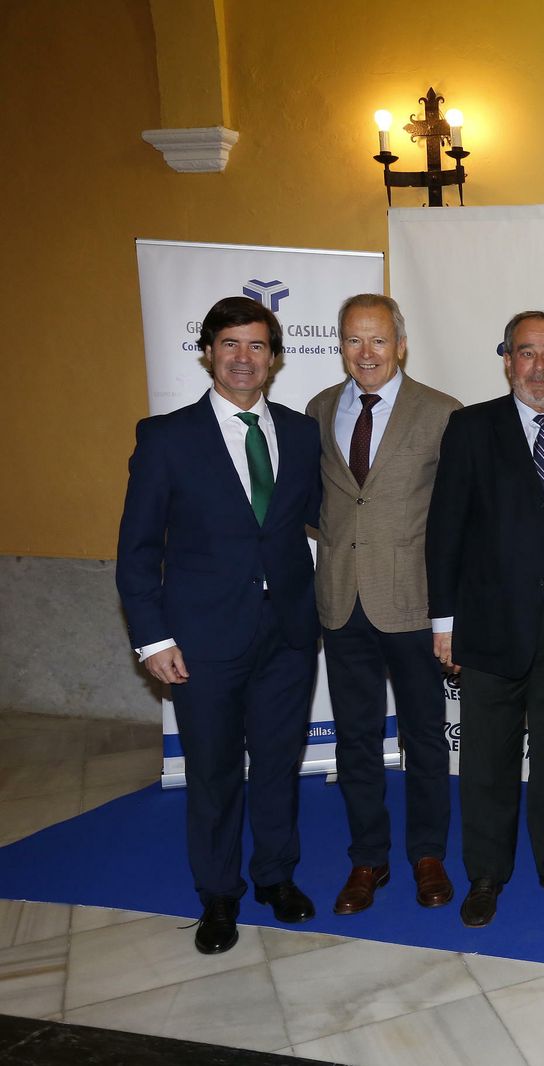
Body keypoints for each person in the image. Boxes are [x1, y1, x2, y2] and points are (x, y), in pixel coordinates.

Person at [116, 296, 323, 954]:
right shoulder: (167, 438)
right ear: (207, 352)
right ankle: (218, 894)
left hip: (288, 634)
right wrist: (153, 638)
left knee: (277, 767)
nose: (243, 359)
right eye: (230, 345)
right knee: (211, 771)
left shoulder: (299, 433)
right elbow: (138, 551)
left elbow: (333, 519)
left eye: (257, 346)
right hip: (201, 640)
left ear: (274, 358)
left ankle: (275, 876)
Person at [426, 310, 544, 927]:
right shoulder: (470, 427)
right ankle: (486, 874)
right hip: (487, 624)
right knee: (487, 759)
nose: (540, 367)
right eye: (527, 353)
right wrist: (443, 622)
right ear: (507, 359)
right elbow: (445, 532)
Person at [305, 294, 460, 916]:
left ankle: (427, 855)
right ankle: (367, 859)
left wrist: (452, 610)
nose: (365, 354)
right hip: (342, 601)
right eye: (352, 340)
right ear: (339, 345)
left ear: (400, 344)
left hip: (414, 603)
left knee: (424, 736)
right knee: (355, 738)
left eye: (377, 341)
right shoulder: (318, 410)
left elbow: (455, 518)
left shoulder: (442, 413)